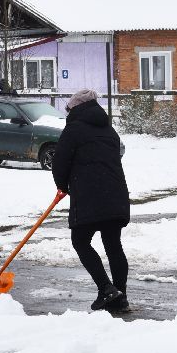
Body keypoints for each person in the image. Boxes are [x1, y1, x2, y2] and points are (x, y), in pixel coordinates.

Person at [51, 89, 131, 313]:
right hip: (115, 195)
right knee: (113, 244)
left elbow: (60, 163)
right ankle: (120, 296)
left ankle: (106, 288)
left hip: (89, 196)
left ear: (76, 108)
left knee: (80, 241)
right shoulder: (109, 130)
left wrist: (62, 185)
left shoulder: (73, 129)